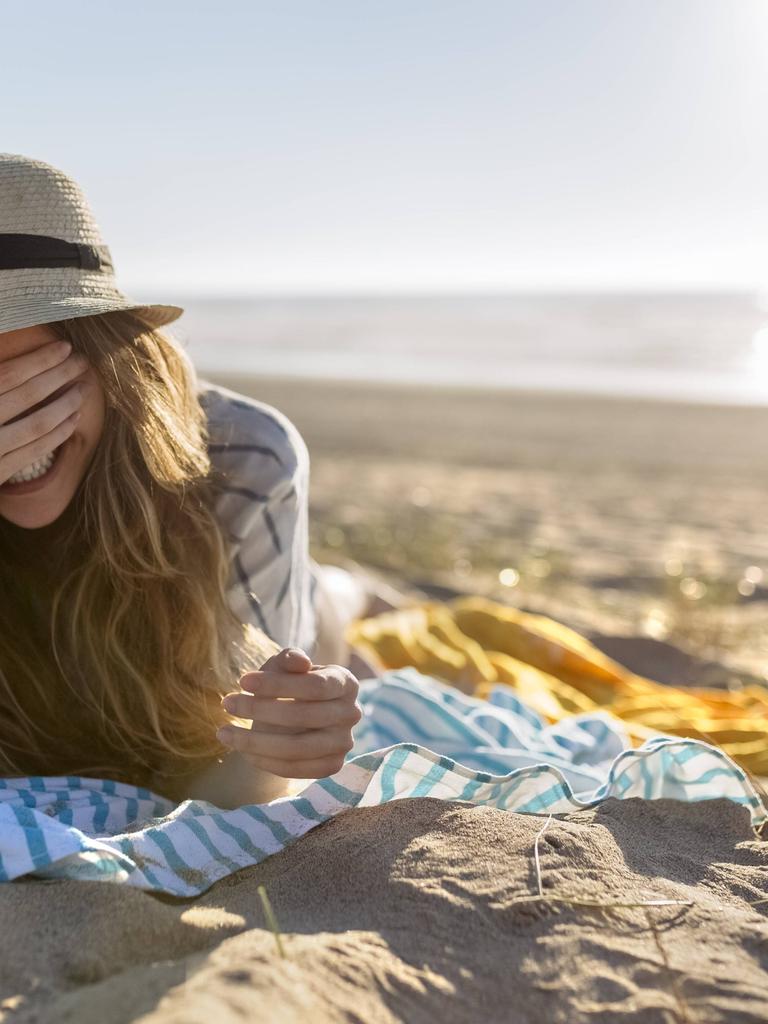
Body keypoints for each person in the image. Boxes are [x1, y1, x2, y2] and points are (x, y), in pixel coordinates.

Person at [0, 153, 366, 808]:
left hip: (291, 601)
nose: (16, 430)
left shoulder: (248, 461)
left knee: (332, 612)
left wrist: (283, 744)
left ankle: (348, 592)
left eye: (41, 386)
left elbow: (235, 779)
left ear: (114, 362)